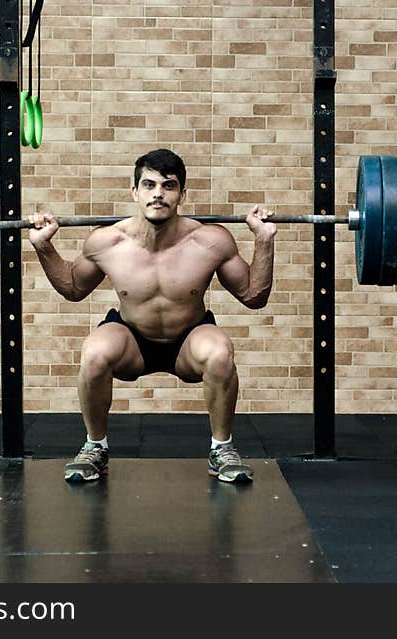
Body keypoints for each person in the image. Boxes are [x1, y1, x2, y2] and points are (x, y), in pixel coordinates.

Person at [29, 149, 276, 483]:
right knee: (95, 352)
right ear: (135, 192)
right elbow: (73, 288)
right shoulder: (107, 241)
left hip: (189, 340)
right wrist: (44, 248)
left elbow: (253, 296)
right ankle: (95, 447)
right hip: (132, 339)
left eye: (169, 185)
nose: (158, 193)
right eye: (149, 185)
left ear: (182, 194)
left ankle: (222, 449)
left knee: (219, 352)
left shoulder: (211, 240)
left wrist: (263, 241)